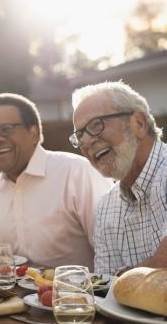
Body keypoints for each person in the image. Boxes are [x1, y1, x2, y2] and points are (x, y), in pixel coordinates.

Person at [0, 93, 112, 270]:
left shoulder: (76, 172)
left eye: (6, 129)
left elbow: (111, 251)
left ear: (34, 133)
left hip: (80, 295)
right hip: (12, 296)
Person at [71, 81, 167, 275]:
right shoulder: (106, 206)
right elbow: (106, 288)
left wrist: (124, 278)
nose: (86, 141)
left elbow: (162, 270)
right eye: (79, 135)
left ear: (138, 124)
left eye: (96, 124)